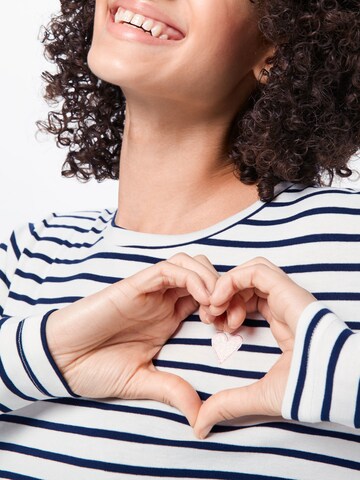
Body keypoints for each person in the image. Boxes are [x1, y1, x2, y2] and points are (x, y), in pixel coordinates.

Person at [0, 0, 359, 478]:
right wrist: (45, 353)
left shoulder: (347, 238)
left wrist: (337, 374)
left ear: (275, 49)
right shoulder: (31, 253)